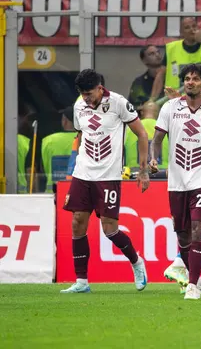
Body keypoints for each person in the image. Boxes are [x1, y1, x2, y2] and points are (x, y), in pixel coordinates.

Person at [61, 69, 150, 294]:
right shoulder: (79, 105)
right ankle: (81, 281)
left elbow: (141, 134)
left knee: (110, 230)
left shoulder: (119, 103)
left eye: (89, 93)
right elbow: (80, 135)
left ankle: (137, 262)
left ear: (100, 88)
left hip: (108, 176)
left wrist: (143, 169)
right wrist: (73, 169)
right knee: (77, 223)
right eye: (82, 94)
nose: (86, 98)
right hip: (83, 173)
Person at [150, 64, 201, 300]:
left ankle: (193, 284)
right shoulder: (170, 107)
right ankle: (198, 279)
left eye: (195, 79)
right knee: (183, 234)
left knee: (198, 230)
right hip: (176, 182)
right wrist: (154, 158)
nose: (190, 82)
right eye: (187, 78)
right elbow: (157, 138)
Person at [151, 17, 201, 100]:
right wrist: (152, 99)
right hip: (176, 98)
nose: (192, 30)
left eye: (194, 26)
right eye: (187, 27)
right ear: (181, 32)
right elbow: (160, 75)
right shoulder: (172, 48)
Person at [41, 106, 78, 193]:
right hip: (76, 192)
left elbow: (45, 167)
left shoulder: (48, 140)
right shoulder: (84, 139)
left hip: (53, 193)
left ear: (64, 121)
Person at [124, 101, 168, 170]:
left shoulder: (130, 128)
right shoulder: (165, 128)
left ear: (141, 112)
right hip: (162, 174)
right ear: (159, 113)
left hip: (133, 173)